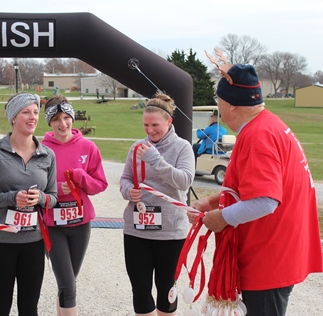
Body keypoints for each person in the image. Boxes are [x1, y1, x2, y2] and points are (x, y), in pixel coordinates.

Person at [188, 63, 323, 316]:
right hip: (280, 252)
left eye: (219, 100)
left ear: (231, 104)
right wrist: (214, 202)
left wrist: (220, 218)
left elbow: (265, 201)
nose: (218, 106)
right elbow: (255, 188)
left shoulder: (257, 135)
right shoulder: (270, 125)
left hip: (268, 258)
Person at [0, 92, 58, 316]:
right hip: (2, 241)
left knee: (29, 308)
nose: (32, 117)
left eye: (36, 112)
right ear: (13, 117)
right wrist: (12, 197)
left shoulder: (47, 155)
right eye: (25, 112)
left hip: (33, 242)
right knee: (0, 306)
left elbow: (54, 197)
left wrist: (39, 198)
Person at [120, 93, 195, 316]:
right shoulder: (136, 147)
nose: (150, 130)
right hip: (137, 229)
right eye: (145, 125)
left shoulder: (182, 147)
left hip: (170, 232)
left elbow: (184, 181)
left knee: (166, 289)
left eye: (155, 125)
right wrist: (128, 191)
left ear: (169, 122)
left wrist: (155, 159)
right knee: (140, 290)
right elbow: (125, 178)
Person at [42, 96, 108, 316]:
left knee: (68, 283)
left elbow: (100, 184)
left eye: (67, 117)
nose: (63, 124)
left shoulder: (88, 147)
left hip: (80, 224)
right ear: (49, 122)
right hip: (52, 225)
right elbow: (33, 186)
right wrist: (60, 188)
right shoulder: (41, 149)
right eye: (57, 119)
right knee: (68, 286)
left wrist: (81, 179)